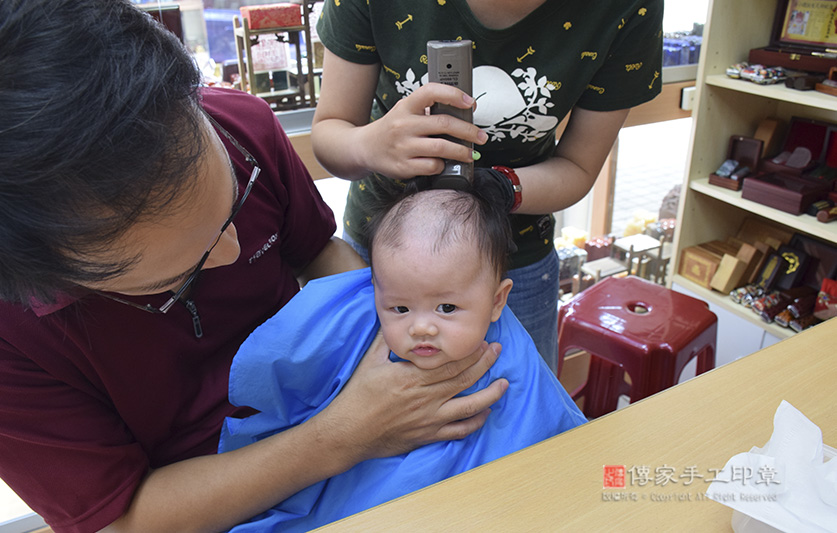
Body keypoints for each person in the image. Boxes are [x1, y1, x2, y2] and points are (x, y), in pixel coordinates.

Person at [0, 2, 509, 532]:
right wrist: (346, 433)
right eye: (178, 278)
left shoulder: (241, 126)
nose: (234, 251)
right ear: (56, 277)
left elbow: (318, 251)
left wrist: (400, 336)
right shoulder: (13, 334)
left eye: (233, 207)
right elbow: (122, 519)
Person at [310, 0, 664, 373]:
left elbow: (577, 168)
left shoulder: (626, 8)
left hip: (512, 259)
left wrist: (502, 187)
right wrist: (371, 145)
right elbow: (329, 134)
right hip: (388, 261)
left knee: (515, 413)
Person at [218, 187, 587, 531]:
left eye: (447, 307)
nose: (422, 327)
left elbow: (553, 440)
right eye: (399, 307)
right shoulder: (363, 345)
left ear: (497, 301)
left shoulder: (513, 356)